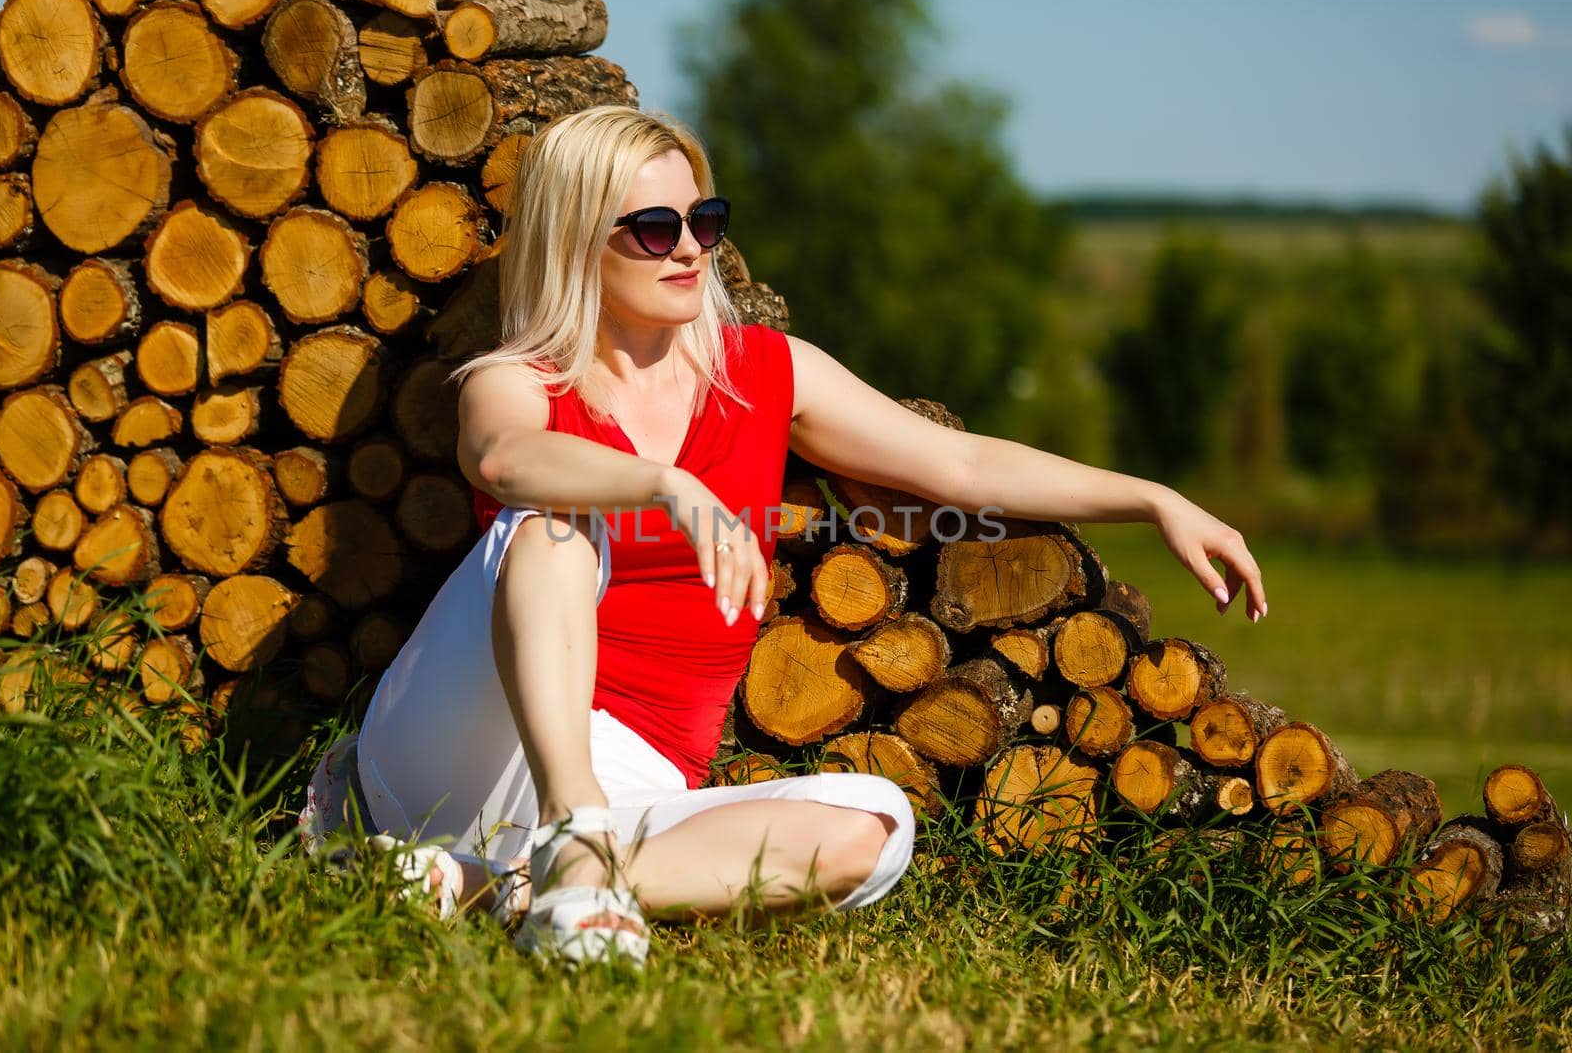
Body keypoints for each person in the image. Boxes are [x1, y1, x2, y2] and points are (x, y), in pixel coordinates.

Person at [297, 105, 1267, 967]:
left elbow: (961, 467)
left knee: (873, 829)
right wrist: (660, 483)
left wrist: (1153, 498)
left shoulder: (763, 374)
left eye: (704, 222)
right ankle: (564, 838)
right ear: (574, 243)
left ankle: (478, 882)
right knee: (554, 528)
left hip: (640, 767)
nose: (689, 249)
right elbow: (506, 462)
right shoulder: (516, 377)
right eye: (652, 227)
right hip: (466, 734)